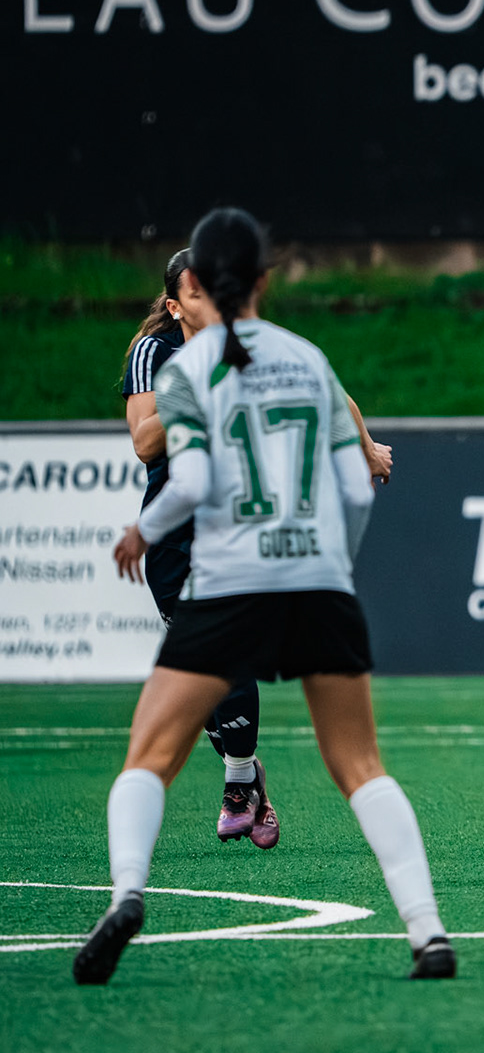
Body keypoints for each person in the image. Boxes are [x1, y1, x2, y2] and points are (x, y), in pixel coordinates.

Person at [76, 208, 452, 984]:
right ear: (265, 279)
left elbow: (192, 481)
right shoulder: (307, 358)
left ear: (194, 284)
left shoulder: (186, 370)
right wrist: (333, 561)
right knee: (361, 765)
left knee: (149, 756)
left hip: (229, 581)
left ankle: (127, 896)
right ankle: (428, 932)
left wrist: (144, 531)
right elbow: (354, 479)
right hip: (317, 580)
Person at [122, 250, 395, 848]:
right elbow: (145, 443)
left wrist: (366, 445)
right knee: (199, 676)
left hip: (236, 530)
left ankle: (237, 779)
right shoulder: (156, 353)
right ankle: (246, 783)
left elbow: (327, 388)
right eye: (197, 292)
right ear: (175, 306)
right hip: (174, 537)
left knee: (232, 660)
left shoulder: (254, 343)